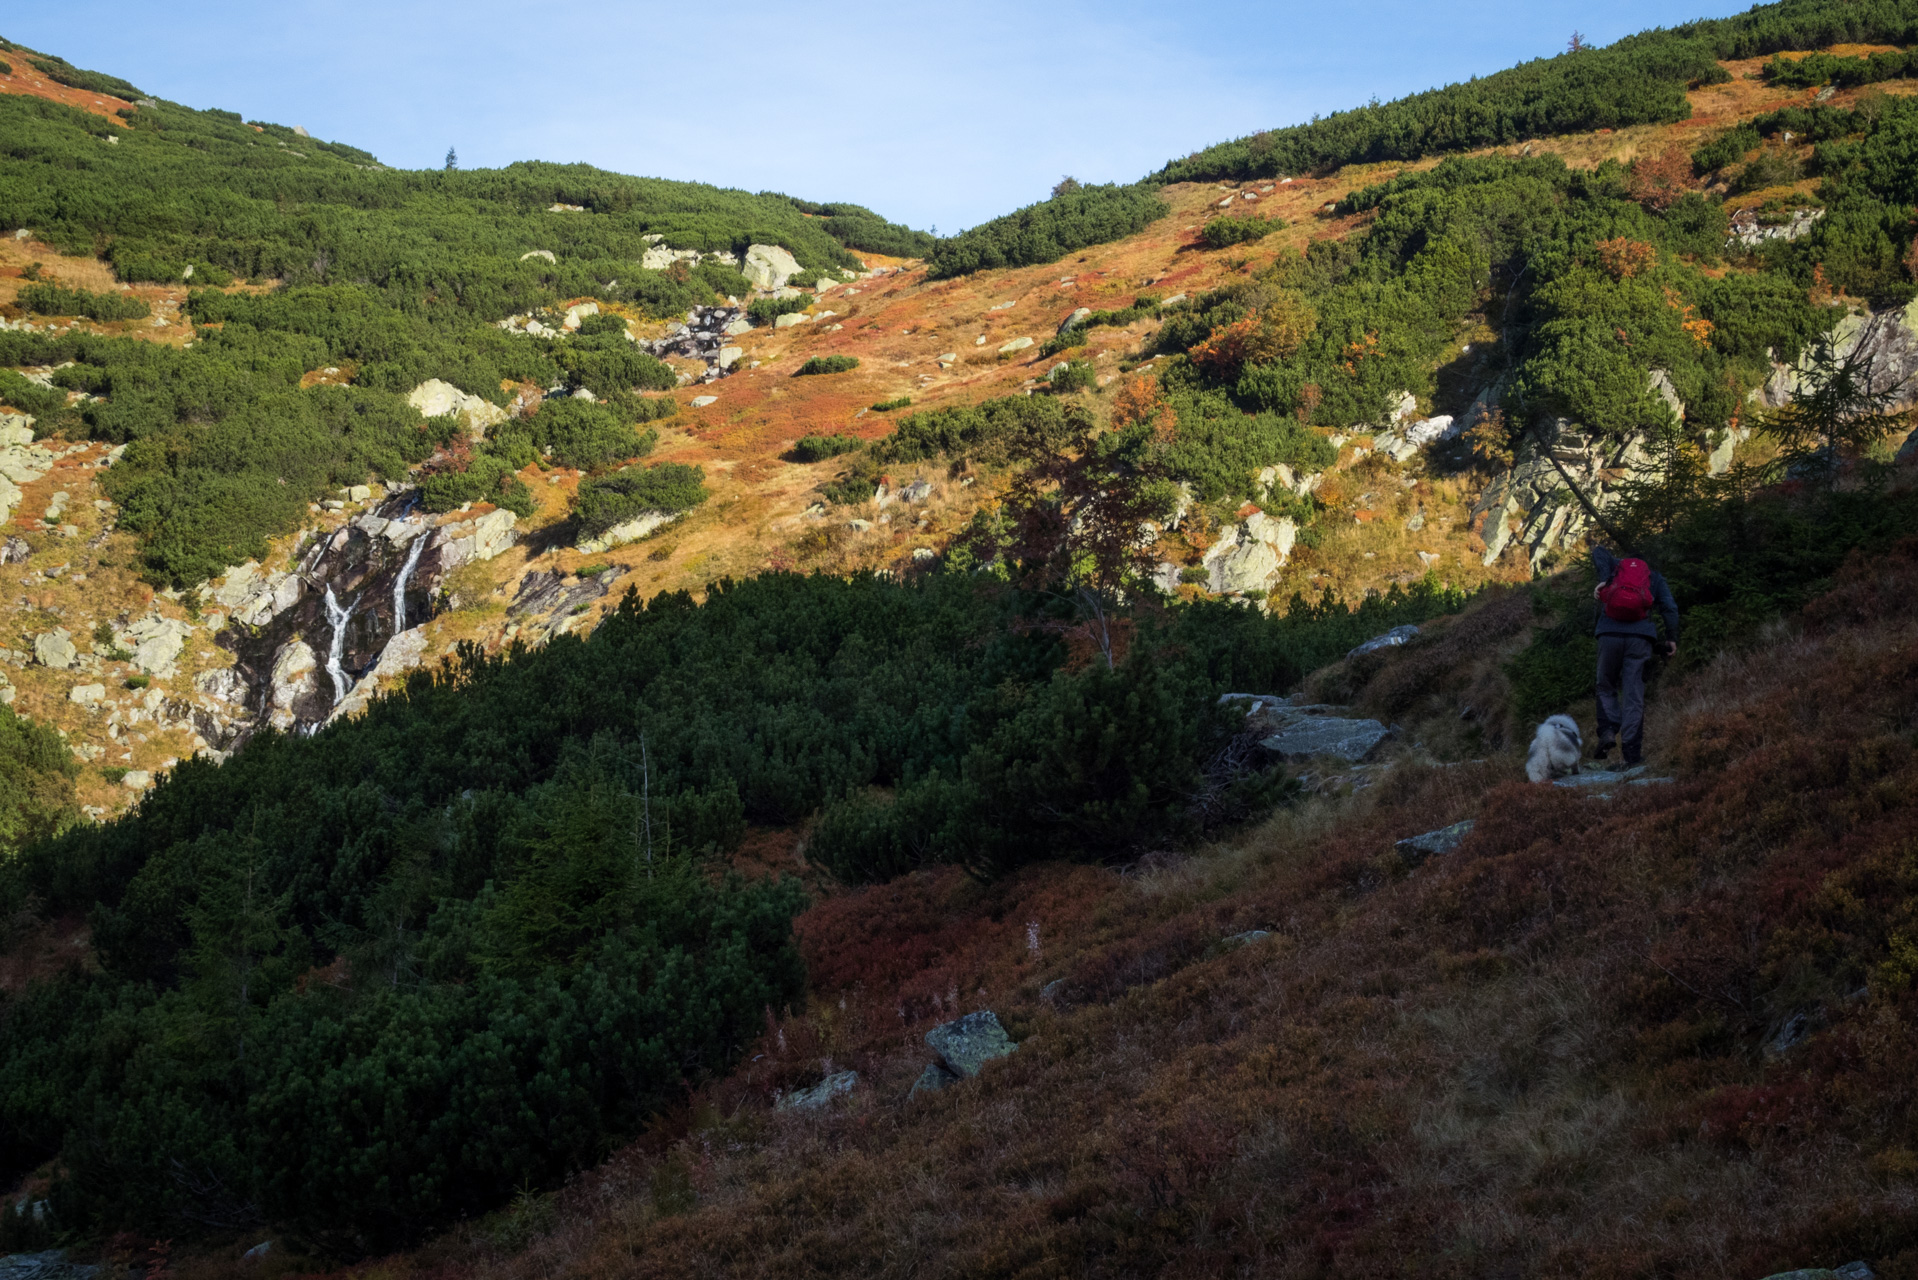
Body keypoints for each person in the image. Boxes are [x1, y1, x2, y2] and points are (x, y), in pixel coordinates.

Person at [1590, 546, 1679, 767]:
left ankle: (1609, 731)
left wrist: (1603, 580)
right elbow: (1669, 607)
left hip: (1608, 635)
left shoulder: (1613, 569)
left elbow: (1597, 551)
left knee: (1605, 685)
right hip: (1640, 639)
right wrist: (1671, 637)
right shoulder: (1654, 577)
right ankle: (1631, 754)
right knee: (1633, 694)